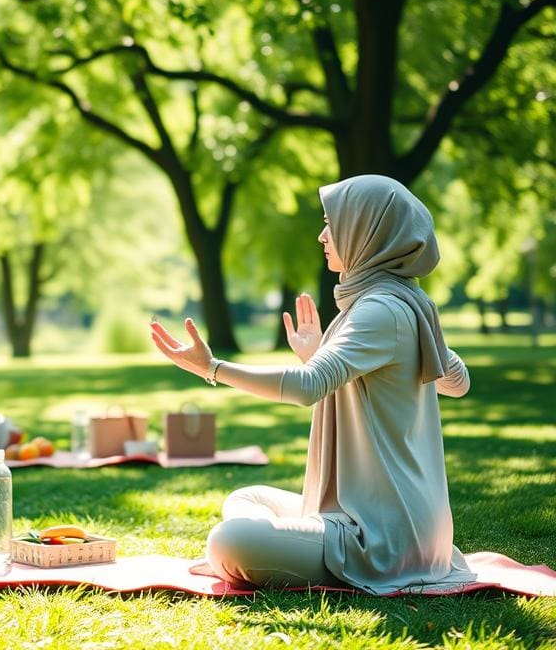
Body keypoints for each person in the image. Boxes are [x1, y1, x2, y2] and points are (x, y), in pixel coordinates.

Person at [151, 174, 475, 595]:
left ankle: (254, 557)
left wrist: (211, 367)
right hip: (403, 522)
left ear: (367, 231)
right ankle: (282, 548)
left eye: (332, 224)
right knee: (246, 499)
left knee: (230, 541)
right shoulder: (407, 302)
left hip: (384, 538)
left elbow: (307, 388)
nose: (323, 236)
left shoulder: (381, 310)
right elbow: (458, 381)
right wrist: (325, 353)